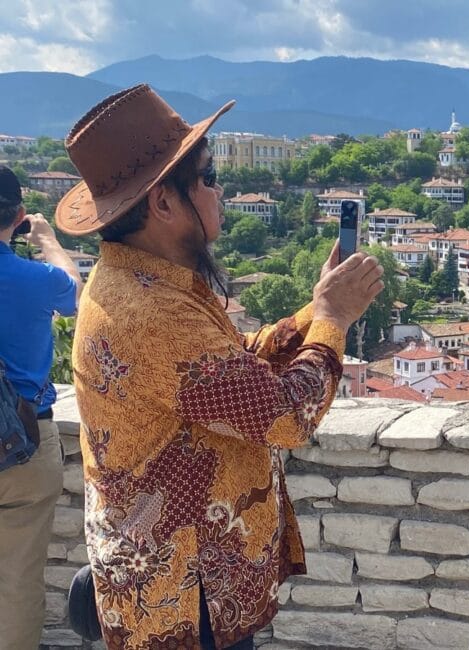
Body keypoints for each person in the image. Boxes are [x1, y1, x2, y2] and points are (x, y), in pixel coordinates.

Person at [56, 84, 383, 649]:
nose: (219, 189)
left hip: (187, 577)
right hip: (185, 594)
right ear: (162, 202)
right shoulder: (150, 310)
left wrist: (317, 307)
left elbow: (231, 367)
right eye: (207, 177)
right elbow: (285, 417)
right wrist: (334, 319)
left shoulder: (147, 282)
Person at [0, 165, 82, 650]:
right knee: (18, 580)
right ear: (19, 216)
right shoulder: (36, 278)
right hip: (27, 442)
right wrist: (49, 241)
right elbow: (78, 296)